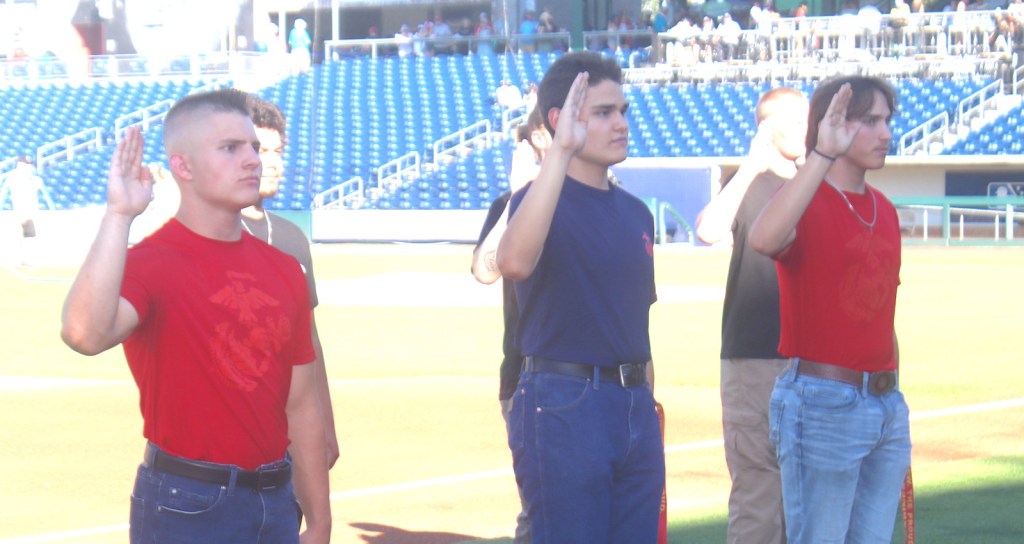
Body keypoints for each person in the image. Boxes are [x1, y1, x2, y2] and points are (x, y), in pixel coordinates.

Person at [60, 88, 331, 543]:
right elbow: (83, 334)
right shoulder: (151, 263)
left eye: (253, 147)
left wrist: (319, 521)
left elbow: (301, 402)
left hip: (277, 500)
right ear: (183, 167)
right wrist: (119, 215)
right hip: (187, 504)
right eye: (230, 148)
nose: (252, 160)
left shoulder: (285, 270)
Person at [496, 51, 664, 544]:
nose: (621, 123)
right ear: (561, 118)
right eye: (604, 112)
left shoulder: (637, 213)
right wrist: (560, 153)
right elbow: (513, 262)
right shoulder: (534, 201)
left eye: (623, 111)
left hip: (632, 402)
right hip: (565, 401)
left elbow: (636, 323)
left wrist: (646, 401)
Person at [749, 76, 910, 544]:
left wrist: (892, 397)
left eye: (887, 121)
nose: (886, 133)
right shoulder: (803, 200)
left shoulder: (885, 208)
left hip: (884, 402)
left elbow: (881, 314)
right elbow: (763, 238)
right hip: (822, 401)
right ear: (832, 124)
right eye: (870, 121)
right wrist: (821, 153)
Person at [695, 87, 809, 544]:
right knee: (759, 494)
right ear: (766, 127)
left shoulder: (815, 184)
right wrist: (750, 166)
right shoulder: (746, 185)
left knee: (808, 497)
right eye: (795, 121)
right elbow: (708, 230)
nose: (806, 129)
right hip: (756, 357)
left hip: (813, 358)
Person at [244, 95, 340, 469]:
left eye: (277, 151)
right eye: (259, 150)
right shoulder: (211, 235)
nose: (273, 163)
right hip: (226, 441)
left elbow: (309, 339)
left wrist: (326, 425)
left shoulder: (292, 238)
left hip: (289, 434)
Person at [471, 105, 550, 544]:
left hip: (587, 375)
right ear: (537, 137)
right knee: (538, 508)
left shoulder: (598, 199)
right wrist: (518, 199)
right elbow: (485, 270)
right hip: (523, 375)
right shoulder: (507, 204)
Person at [1, 156, 54, 267]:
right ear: (20, 165)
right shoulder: (16, 177)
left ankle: (24, 260)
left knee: (27, 237)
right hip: (23, 211)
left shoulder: (29, 178)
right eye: (27, 164)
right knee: (25, 236)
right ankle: (23, 260)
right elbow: (17, 194)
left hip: (28, 211)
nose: (30, 167)